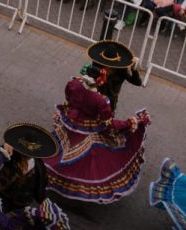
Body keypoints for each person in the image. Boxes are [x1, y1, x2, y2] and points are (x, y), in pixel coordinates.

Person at [42, 64, 150, 203]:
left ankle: (48, 168)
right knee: (93, 155)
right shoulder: (101, 100)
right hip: (88, 128)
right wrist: (131, 122)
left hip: (70, 122)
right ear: (100, 80)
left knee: (60, 146)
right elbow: (108, 123)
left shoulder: (74, 83)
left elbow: (68, 98)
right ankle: (73, 180)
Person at [87, 40, 142, 114]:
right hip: (94, 98)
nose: (107, 66)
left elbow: (137, 82)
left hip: (110, 102)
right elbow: (89, 76)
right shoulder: (97, 64)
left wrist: (134, 69)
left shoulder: (122, 70)